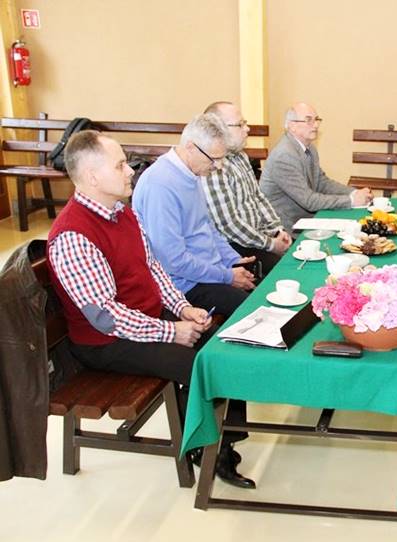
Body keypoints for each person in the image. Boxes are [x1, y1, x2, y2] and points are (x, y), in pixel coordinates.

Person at [46, 131, 254, 489]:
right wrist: (171, 331)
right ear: (92, 177)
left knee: (223, 343)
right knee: (198, 365)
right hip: (105, 342)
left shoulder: (122, 213)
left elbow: (153, 270)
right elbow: (105, 317)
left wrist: (183, 308)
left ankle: (227, 435)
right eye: (120, 165)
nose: (131, 171)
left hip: (143, 318)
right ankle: (207, 451)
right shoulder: (73, 235)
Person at [133, 113, 256, 316]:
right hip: (185, 285)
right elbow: (173, 261)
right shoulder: (160, 185)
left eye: (221, 158)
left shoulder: (192, 171)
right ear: (190, 147)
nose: (218, 166)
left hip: (209, 271)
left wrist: (232, 260)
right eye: (214, 159)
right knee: (253, 312)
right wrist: (227, 276)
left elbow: (207, 226)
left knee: (265, 290)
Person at [201, 101, 292, 273]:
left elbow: (258, 197)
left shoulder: (240, 156)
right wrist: (271, 244)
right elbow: (229, 225)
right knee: (286, 272)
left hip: (257, 238)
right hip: (234, 247)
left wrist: (277, 230)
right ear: (218, 130)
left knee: (296, 258)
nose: (247, 128)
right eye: (240, 124)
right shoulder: (213, 165)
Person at [259, 102, 372, 233]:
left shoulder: (309, 148)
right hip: (286, 230)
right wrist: (351, 200)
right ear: (292, 126)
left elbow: (321, 182)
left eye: (317, 119)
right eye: (308, 120)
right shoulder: (284, 155)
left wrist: (354, 193)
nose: (316, 125)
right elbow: (309, 201)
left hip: (306, 219)